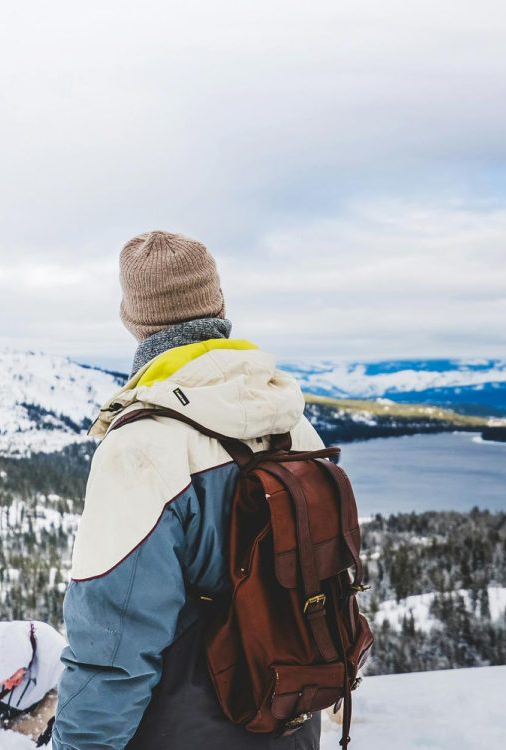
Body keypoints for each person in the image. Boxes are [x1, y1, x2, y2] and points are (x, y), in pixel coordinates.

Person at [52, 231, 325, 750]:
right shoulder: (293, 423)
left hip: (184, 729)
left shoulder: (142, 446)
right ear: (219, 305)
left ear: (133, 320)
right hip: (290, 717)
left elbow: (112, 646)